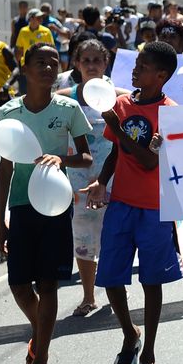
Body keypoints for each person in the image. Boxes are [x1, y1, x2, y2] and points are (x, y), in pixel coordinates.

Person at [81, 41, 181, 364]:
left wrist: (117, 125)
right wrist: (101, 181)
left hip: (155, 207)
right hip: (121, 204)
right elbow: (116, 154)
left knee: (151, 281)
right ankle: (129, 333)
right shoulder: (121, 104)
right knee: (110, 277)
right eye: (135, 64)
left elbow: (148, 158)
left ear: (161, 75)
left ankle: (149, 354)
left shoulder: (171, 112)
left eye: (143, 66)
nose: (135, 71)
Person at [0, 43, 92, 364]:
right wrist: (0, 221)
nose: (49, 68)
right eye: (41, 62)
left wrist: (61, 158)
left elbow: (85, 156)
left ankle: (40, 363)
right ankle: (41, 335)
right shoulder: (9, 111)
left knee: (49, 284)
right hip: (21, 207)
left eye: (55, 62)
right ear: (25, 67)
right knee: (20, 285)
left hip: (54, 206)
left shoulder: (68, 108)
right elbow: (4, 167)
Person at [57, 39, 125, 317]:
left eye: (97, 60)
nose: (92, 66)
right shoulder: (63, 99)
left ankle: (115, 290)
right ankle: (88, 297)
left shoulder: (121, 97)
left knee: (115, 238)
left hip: (116, 180)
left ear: (106, 63)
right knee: (83, 240)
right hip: (77, 183)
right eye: (86, 60)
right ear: (76, 64)